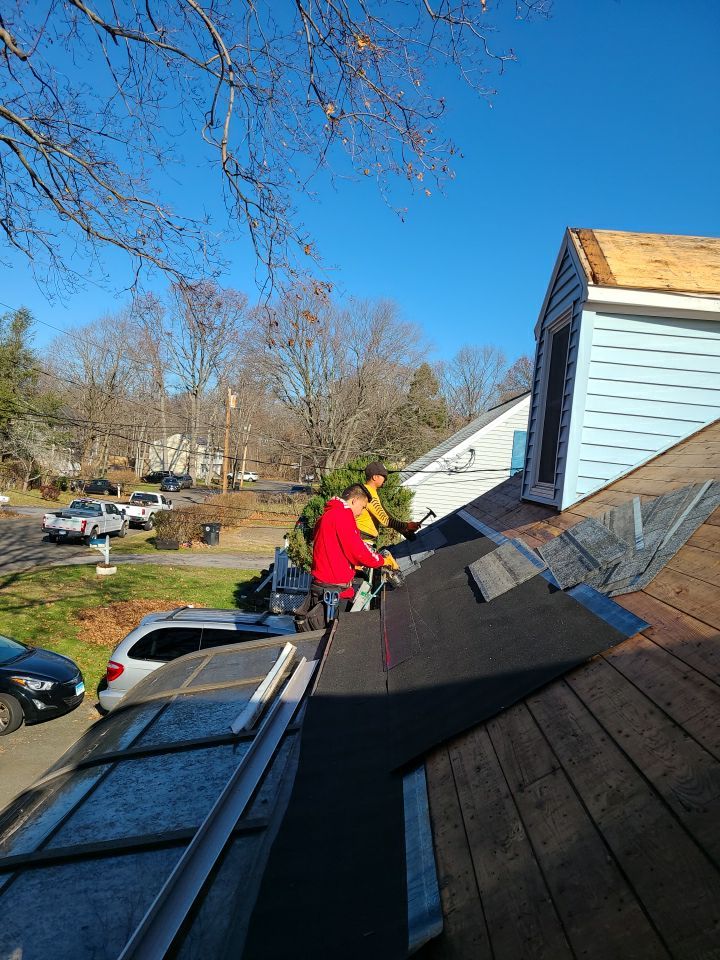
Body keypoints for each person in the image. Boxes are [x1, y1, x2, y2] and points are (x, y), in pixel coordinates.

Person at [295, 484, 398, 631]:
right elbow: (358, 551)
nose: (361, 513)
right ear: (354, 500)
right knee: (332, 640)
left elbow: (337, 547)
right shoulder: (343, 515)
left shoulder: (327, 515)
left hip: (321, 587)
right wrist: (382, 561)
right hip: (333, 591)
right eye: (362, 507)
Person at [356, 461, 421, 546]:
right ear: (375, 477)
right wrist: (406, 526)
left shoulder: (372, 493)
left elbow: (387, 516)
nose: (386, 479)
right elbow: (385, 520)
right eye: (384, 476)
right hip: (362, 541)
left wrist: (404, 531)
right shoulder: (369, 494)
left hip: (363, 540)